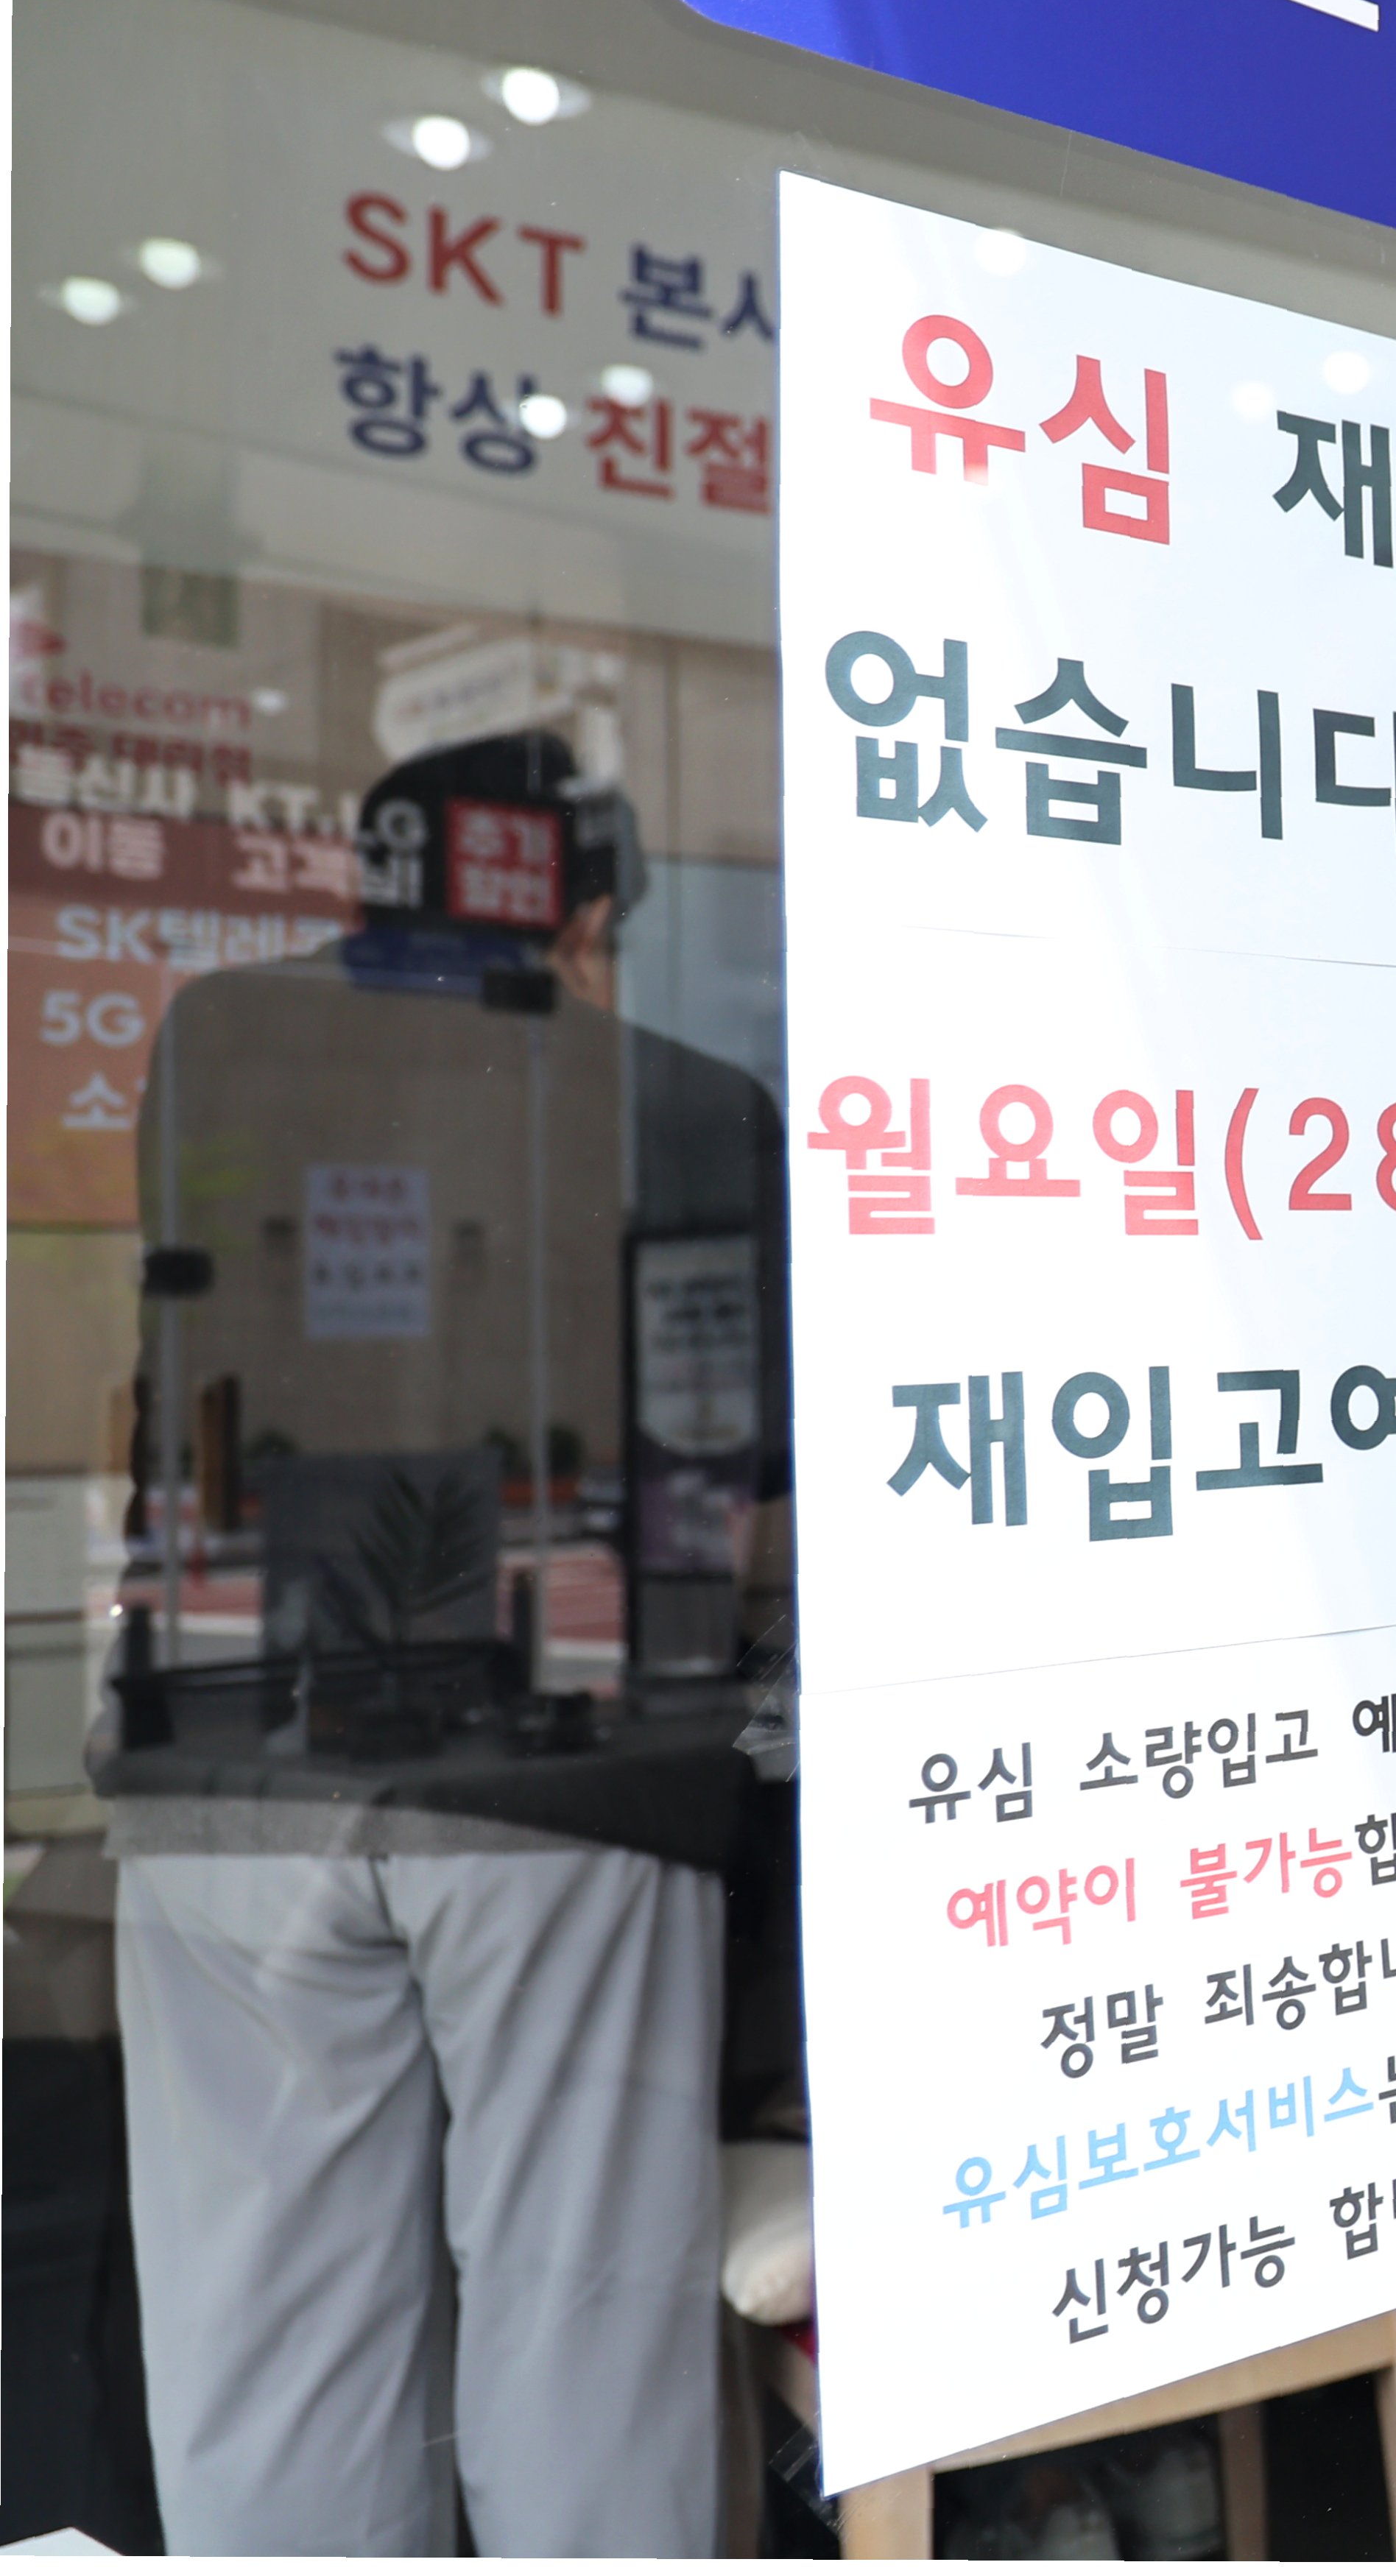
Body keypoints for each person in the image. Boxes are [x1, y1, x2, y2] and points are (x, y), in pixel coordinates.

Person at [105, 728, 780, 2552]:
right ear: (577, 917)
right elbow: (726, 1485)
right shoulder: (682, 1098)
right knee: (579, 2318)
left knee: (267, 2333)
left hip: (223, 1747)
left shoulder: (215, 1040)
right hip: (561, 1767)